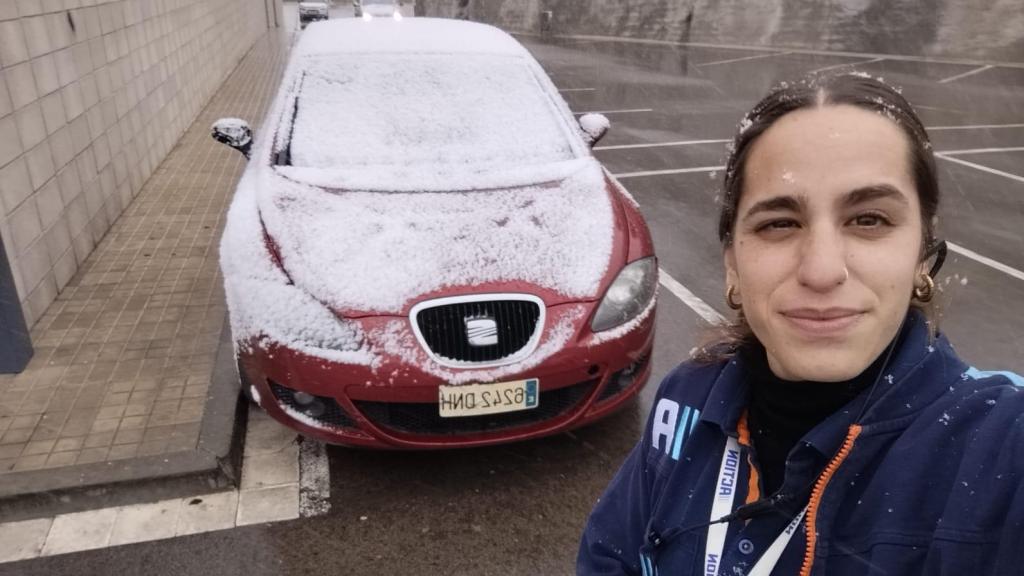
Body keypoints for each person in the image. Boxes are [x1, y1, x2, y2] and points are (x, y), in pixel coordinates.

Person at [577, 73, 1024, 575]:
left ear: (922, 254)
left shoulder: (999, 449)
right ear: (732, 265)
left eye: (869, 219)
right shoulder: (688, 399)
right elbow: (610, 555)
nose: (821, 270)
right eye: (779, 223)